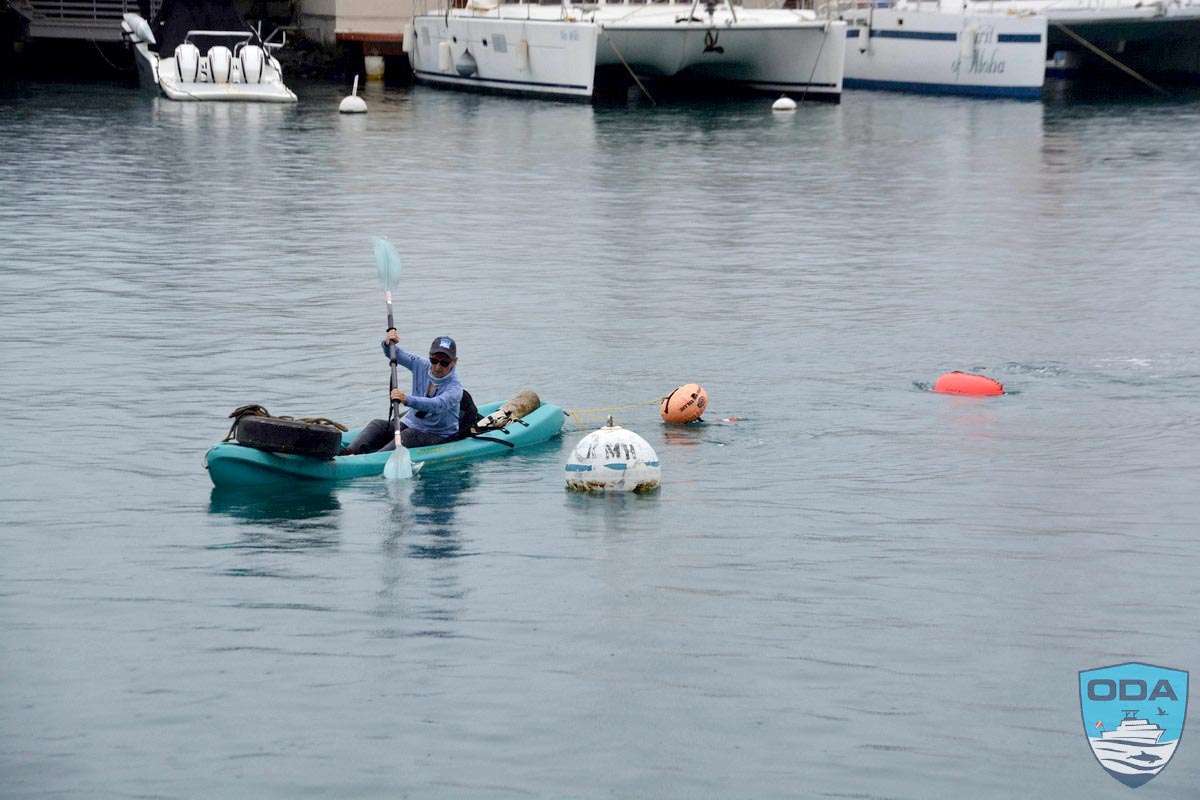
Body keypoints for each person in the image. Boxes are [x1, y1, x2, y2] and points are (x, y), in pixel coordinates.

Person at [342, 332, 464, 454]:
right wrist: (388, 344)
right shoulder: (421, 364)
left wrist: (406, 399)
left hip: (439, 435)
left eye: (444, 363)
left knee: (407, 436)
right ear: (429, 356)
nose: (437, 367)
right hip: (411, 424)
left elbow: (436, 405)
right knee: (377, 425)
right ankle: (348, 453)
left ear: (454, 362)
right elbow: (395, 354)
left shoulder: (455, 388)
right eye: (434, 360)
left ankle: (372, 459)